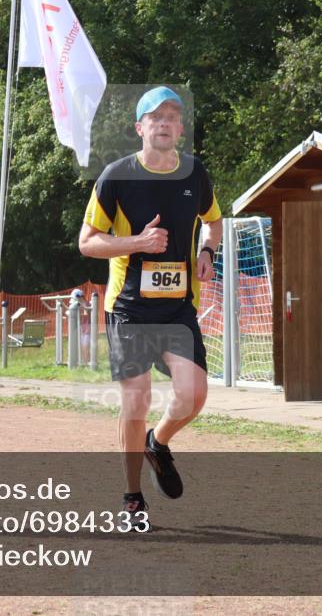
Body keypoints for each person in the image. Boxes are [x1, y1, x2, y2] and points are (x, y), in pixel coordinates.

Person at [78, 86, 222, 525]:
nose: (164, 123)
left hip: (178, 309)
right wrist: (137, 242)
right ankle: (132, 497)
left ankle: (157, 443)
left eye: (172, 116)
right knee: (136, 399)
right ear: (140, 128)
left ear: (180, 128)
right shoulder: (116, 177)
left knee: (194, 395)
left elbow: (214, 222)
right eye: (155, 117)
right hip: (130, 310)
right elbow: (87, 242)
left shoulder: (195, 175)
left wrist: (207, 251)